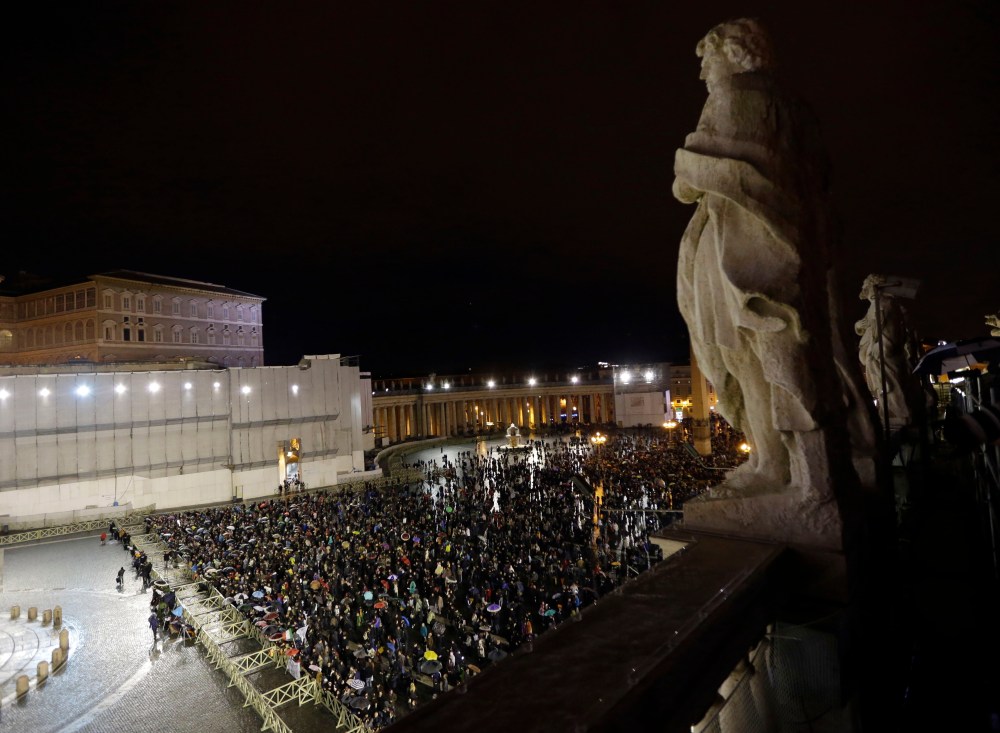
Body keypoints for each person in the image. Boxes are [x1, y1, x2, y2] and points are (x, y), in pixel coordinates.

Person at [672, 18, 872, 501]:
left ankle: (775, 466)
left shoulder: (734, 100)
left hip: (743, 259)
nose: (702, 72)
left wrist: (689, 168)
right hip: (784, 251)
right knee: (788, 360)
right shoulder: (798, 110)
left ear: (736, 54)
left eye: (707, 59)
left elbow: (684, 180)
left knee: (751, 359)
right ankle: (798, 468)